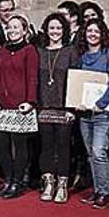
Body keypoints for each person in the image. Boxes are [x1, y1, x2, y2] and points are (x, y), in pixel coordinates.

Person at [75, 18, 109, 209]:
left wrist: (101, 103)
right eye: (89, 31)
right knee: (90, 154)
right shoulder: (81, 55)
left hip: (102, 113)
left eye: (96, 31)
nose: (92, 34)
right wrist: (76, 102)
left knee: (99, 151)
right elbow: (76, 82)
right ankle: (97, 189)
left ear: (102, 34)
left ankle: (104, 192)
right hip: (84, 113)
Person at [0, 15, 39, 200]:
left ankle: (18, 182)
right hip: (3, 105)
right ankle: (9, 179)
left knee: (20, 146)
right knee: (2, 145)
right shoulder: (2, 51)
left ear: (24, 30)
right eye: (9, 27)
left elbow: (32, 78)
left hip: (21, 106)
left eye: (16, 27)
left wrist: (30, 101)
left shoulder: (29, 51)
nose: (11, 31)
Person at [36, 13, 77, 203]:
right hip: (44, 106)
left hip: (64, 107)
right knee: (46, 147)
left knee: (63, 146)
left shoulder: (71, 51)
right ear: (46, 30)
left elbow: (75, 80)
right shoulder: (39, 51)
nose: (55, 32)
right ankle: (49, 182)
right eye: (52, 28)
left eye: (59, 28)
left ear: (64, 30)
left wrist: (72, 108)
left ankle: (62, 184)